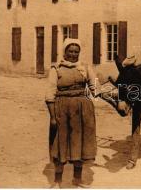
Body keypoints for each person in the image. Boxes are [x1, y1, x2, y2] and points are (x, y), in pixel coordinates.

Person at [45, 38, 96, 187]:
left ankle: (77, 179)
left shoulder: (85, 67)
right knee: (60, 143)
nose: (73, 54)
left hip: (83, 109)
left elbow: (95, 87)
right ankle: (58, 180)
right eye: (70, 51)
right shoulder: (56, 68)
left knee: (80, 143)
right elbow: (49, 94)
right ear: (64, 52)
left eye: (76, 52)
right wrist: (53, 117)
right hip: (62, 109)